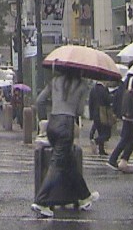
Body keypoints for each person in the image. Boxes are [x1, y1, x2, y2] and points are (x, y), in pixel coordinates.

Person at [32, 67, 98, 218]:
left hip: (53, 123)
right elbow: (80, 111)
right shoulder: (81, 85)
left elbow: (40, 100)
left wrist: (43, 119)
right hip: (66, 125)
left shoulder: (54, 81)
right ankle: (41, 201)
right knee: (57, 163)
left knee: (68, 161)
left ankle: (84, 196)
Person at [87, 79, 114, 156]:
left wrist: (91, 115)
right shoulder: (103, 89)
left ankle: (101, 150)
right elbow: (107, 100)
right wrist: (111, 97)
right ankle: (96, 141)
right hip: (103, 113)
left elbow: (90, 102)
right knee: (106, 134)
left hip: (95, 114)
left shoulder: (93, 89)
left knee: (100, 132)